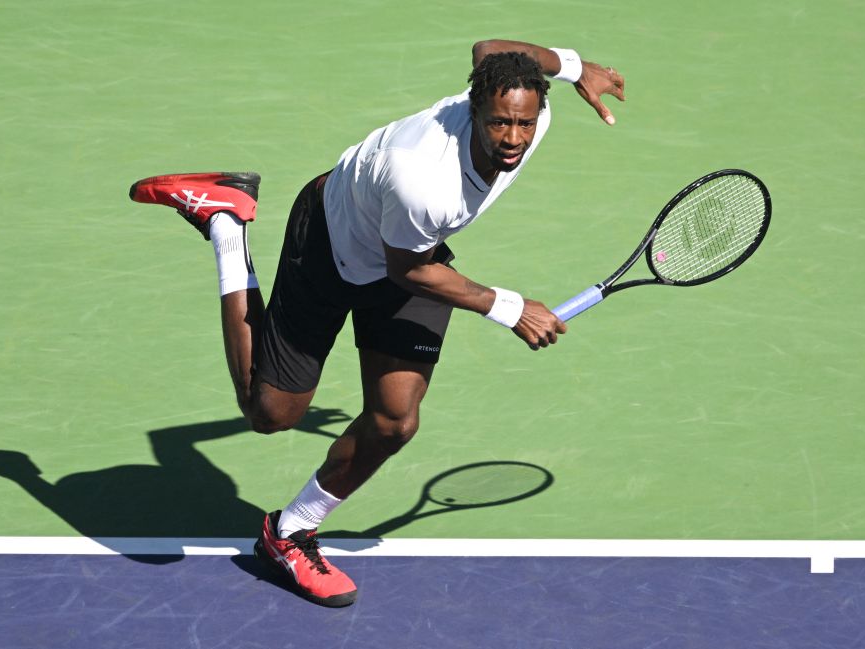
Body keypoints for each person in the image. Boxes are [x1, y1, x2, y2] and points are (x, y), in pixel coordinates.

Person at [129, 39, 625, 607]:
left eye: (524, 123)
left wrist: (576, 66)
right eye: (498, 124)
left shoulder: (529, 108)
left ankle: (288, 533)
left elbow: (491, 47)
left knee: (394, 422)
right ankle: (224, 222)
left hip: (408, 251)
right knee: (270, 413)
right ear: (474, 106)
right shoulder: (424, 179)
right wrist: (509, 307)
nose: (513, 139)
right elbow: (410, 271)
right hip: (334, 246)